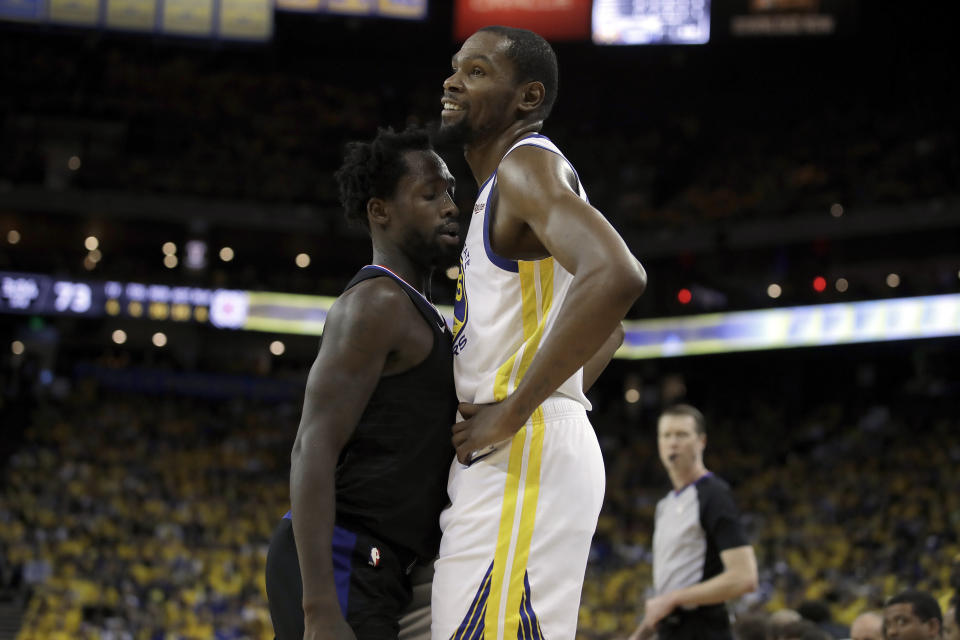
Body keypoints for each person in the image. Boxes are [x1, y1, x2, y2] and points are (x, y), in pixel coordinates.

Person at [431, 24, 647, 640]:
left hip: (522, 450)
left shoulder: (525, 165)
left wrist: (519, 409)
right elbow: (609, 333)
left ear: (527, 97)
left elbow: (617, 276)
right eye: (454, 67)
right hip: (524, 448)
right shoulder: (504, 186)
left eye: (476, 71)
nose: (451, 80)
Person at [264, 126, 460, 640]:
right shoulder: (377, 303)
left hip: (381, 563)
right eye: (430, 193)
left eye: (451, 192)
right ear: (380, 211)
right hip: (343, 555)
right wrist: (319, 607)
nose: (450, 206)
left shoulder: (425, 313)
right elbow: (312, 447)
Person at [628, 404, 758, 640]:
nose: (673, 442)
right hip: (671, 629)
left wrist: (675, 598)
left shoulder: (714, 495)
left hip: (703, 627)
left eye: (682, 434)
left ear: (701, 442)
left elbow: (744, 577)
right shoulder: (665, 504)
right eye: (666, 435)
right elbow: (668, 593)